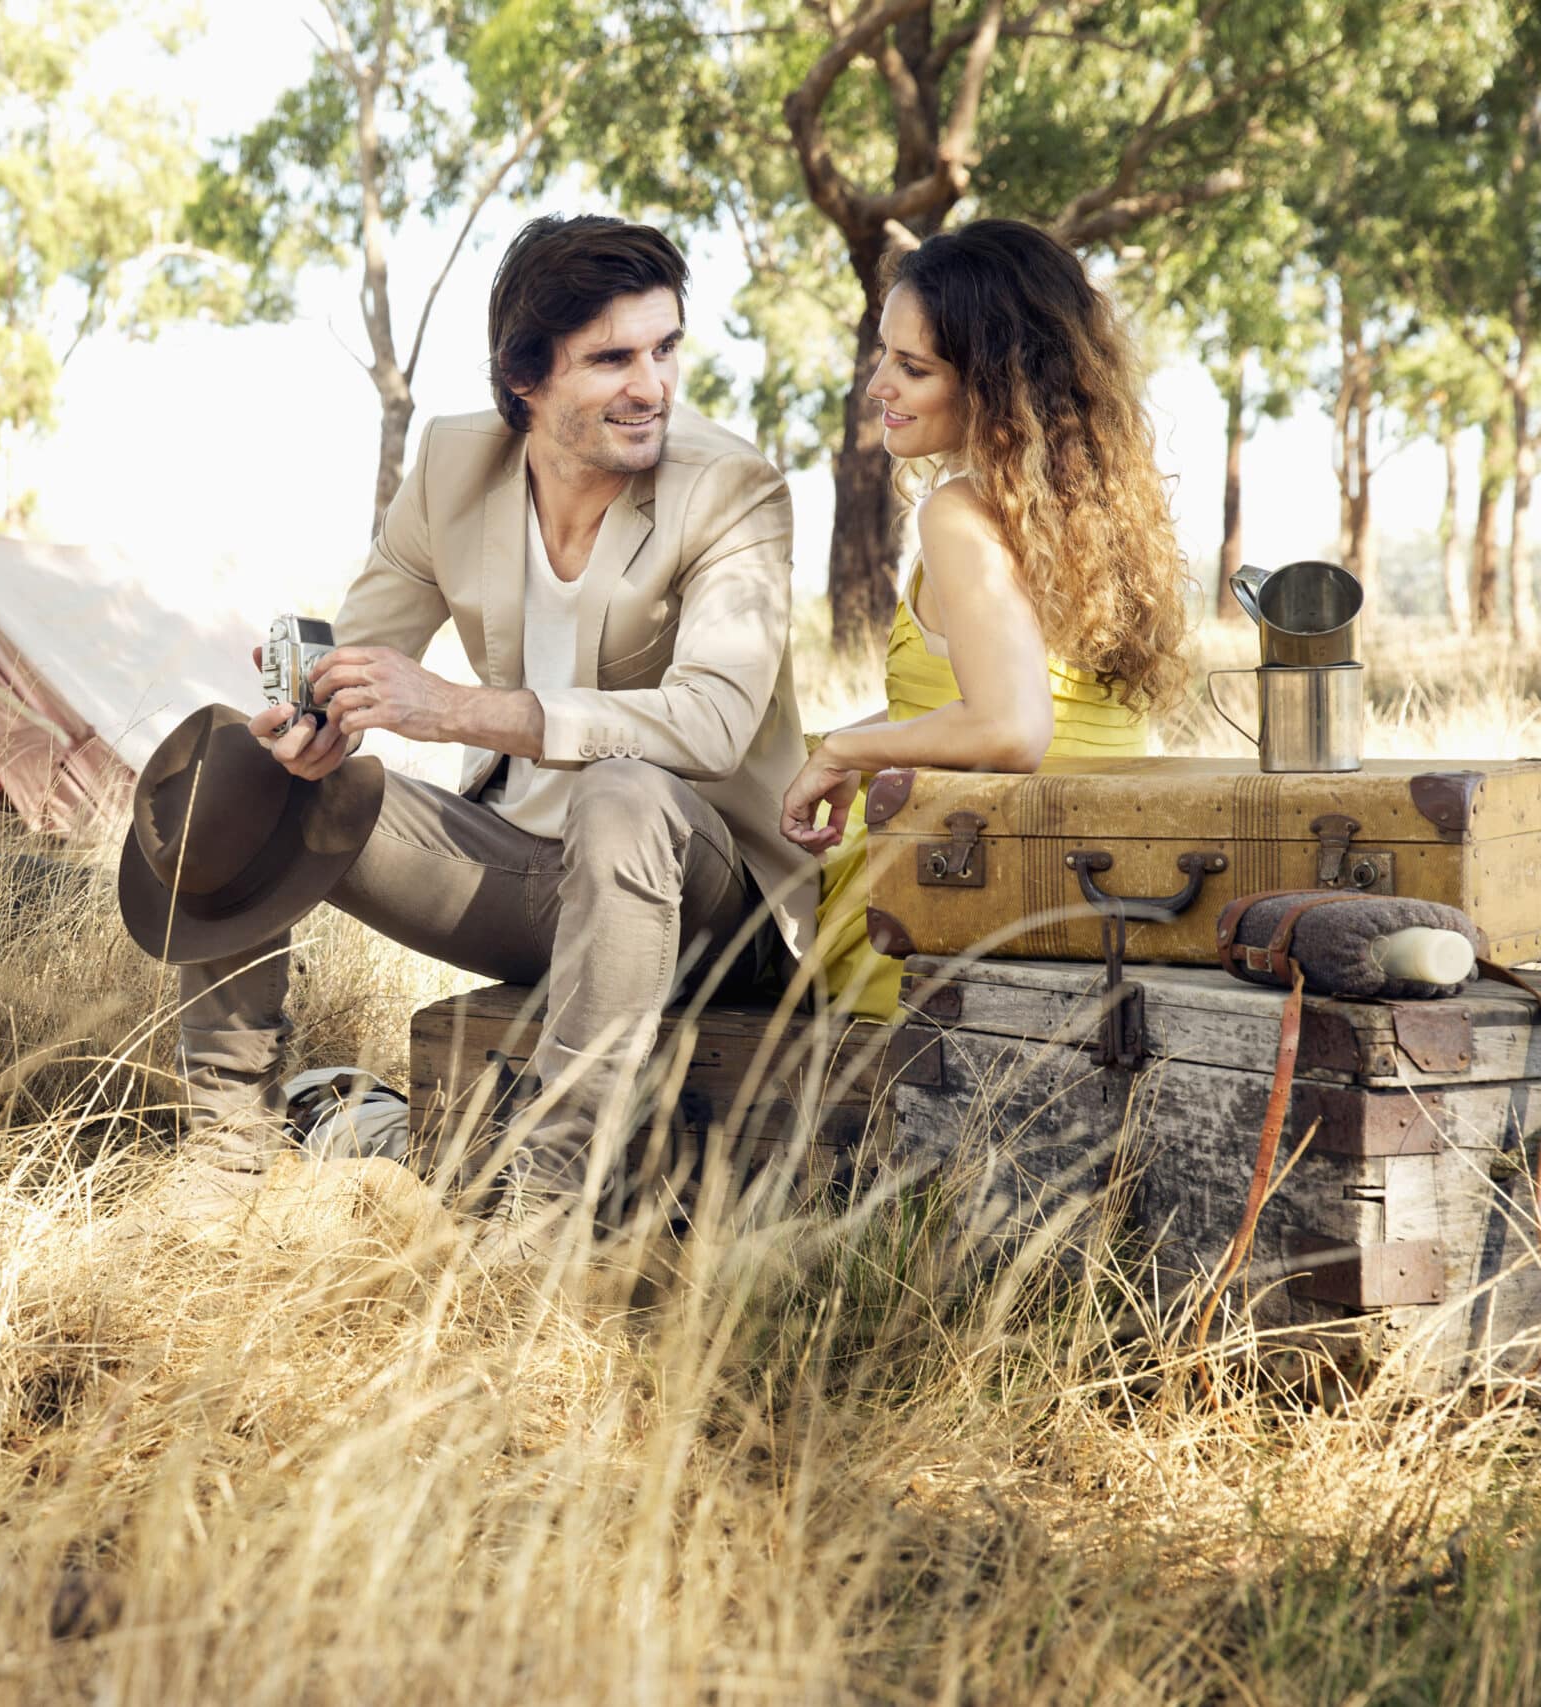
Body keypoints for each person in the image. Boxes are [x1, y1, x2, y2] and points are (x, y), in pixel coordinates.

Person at [172, 213, 814, 1248]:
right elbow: (365, 652)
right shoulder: (453, 466)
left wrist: (464, 709)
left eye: (664, 347)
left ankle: (549, 1209)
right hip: (531, 886)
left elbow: (712, 724)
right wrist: (314, 721)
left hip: (708, 904)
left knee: (621, 791)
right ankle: (224, 1148)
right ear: (524, 379)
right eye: (611, 358)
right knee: (239, 770)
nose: (649, 384)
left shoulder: (732, 489)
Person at [782, 219, 1192, 1020]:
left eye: (913, 367)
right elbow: (974, 700)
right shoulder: (1096, 514)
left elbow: (1010, 727)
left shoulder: (960, 513)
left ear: (993, 384)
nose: (878, 387)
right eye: (883, 356)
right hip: (1107, 899)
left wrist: (843, 748)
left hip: (955, 903)